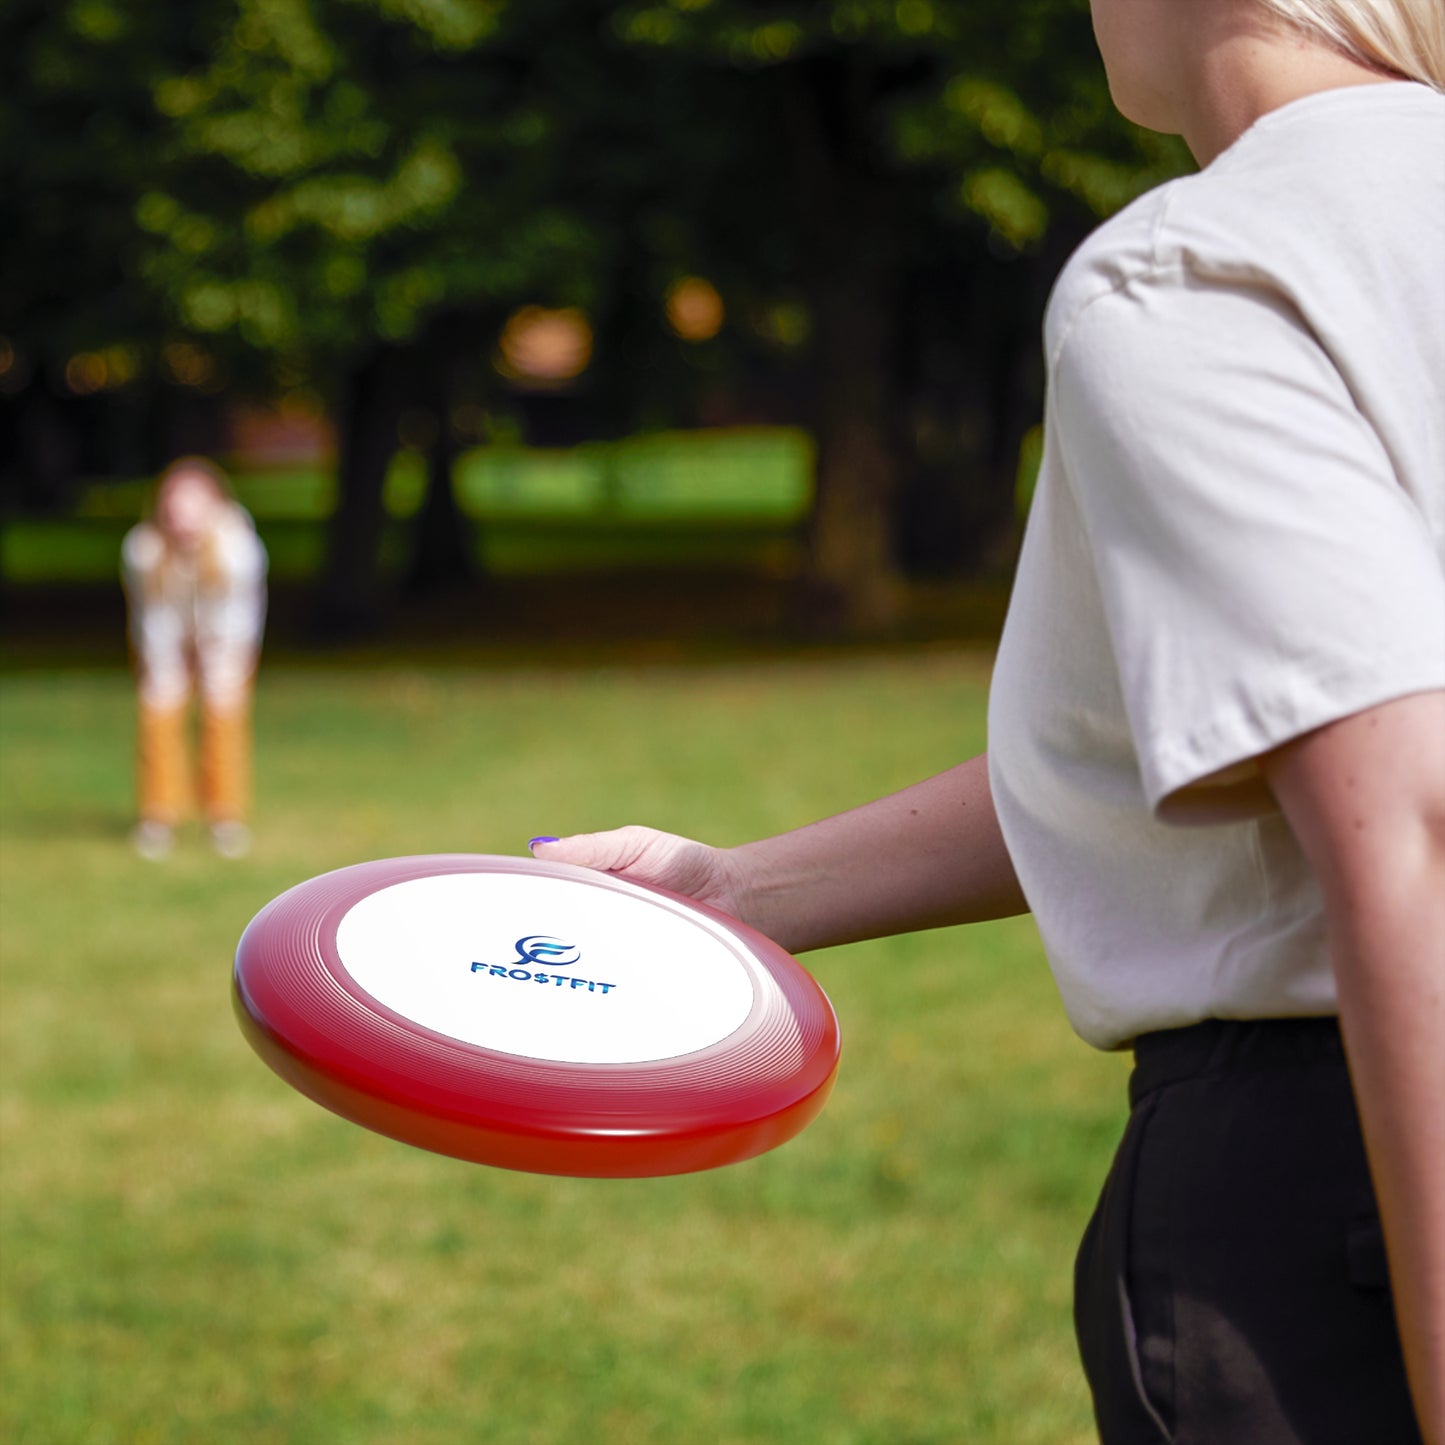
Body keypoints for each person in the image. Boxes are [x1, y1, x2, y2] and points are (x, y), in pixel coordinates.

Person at [528, 2, 1445, 1440]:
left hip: (1342, 1191)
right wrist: (736, 889)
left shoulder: (1204, 270)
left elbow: (1409, 822)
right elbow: (1215, 740)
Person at [121, 457, 268, 860]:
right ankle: (158, 816)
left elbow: (239, 616)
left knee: (223, 717)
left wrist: (215, 660)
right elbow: (152, 616)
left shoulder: (238, 549)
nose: (182, 517)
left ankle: (225, 817)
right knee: (158, 713)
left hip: (225, 642)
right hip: (165, 640)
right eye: (175, 506)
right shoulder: (143, 550)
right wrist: (168, 665)